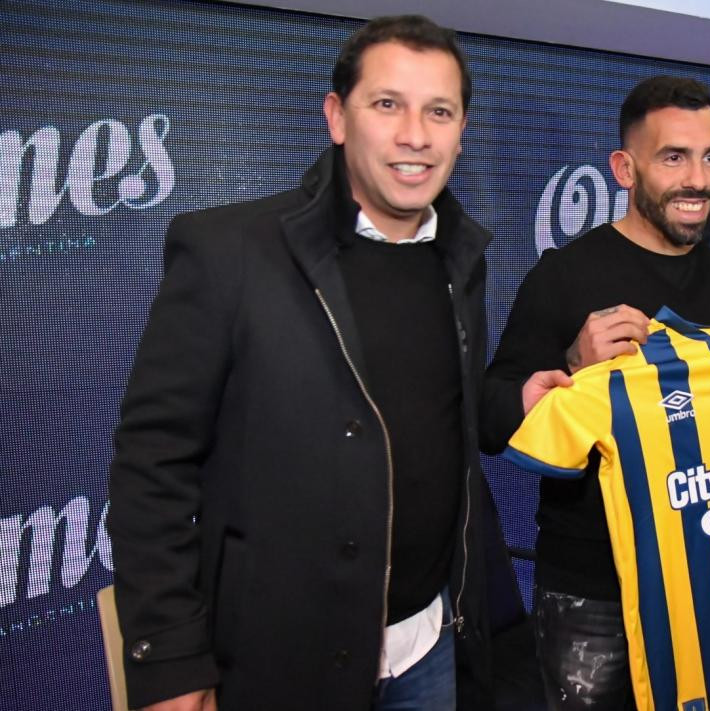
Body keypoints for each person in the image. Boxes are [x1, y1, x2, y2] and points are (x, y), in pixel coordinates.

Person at [107, 15, 519, 711]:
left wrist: (523, 397)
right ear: (337, 117)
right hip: (278, 664)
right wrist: (171, 660)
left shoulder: (463, 261)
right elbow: (153, 463)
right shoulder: (228, 251)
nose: (415, 134)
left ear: (461, 131)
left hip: (429, 648)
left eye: (438, 111)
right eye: (387, 104)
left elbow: (430, 412)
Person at [480, 76, 710, 709]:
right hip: (593, 586)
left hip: (709, 569)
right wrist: (575, 372)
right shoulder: (563, 276)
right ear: (624, 168)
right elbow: (489, 418)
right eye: (673, 157)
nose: (698, 179)